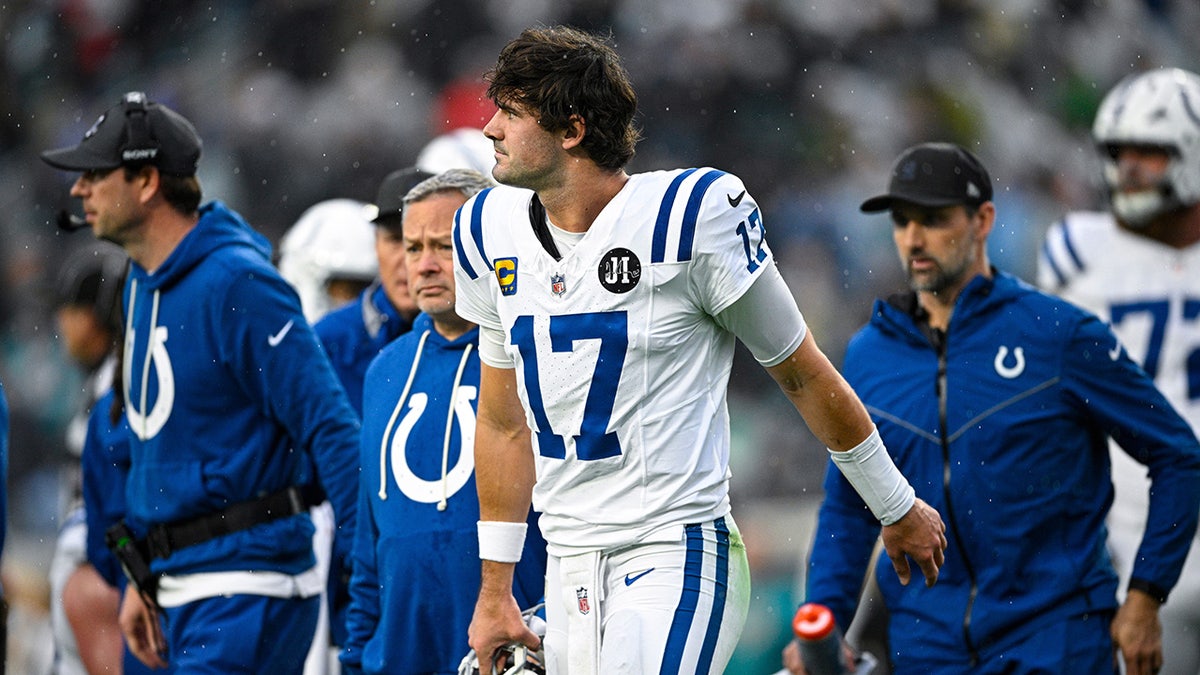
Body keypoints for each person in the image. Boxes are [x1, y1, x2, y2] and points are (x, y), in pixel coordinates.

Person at [452, 26, 947, 674]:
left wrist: (894, 502)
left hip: (673, 549)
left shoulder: (690, 216)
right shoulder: (489, 228)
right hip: (568, 557)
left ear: (571, 129)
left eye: (510, 113)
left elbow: (800, 371)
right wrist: (495, 589)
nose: (490, 129)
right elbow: (501, 420)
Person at [793, 142, 1200, 675]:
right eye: (902, 221)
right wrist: (822, 619)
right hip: (926, 653)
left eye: (935, 220)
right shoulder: (869, 355)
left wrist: (1146, 596)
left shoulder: (1057, 334)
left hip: (1055, 644)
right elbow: (849, 507)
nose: (914, 239)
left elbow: (1178, 455)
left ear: (983, 220)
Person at [40, 91, 360, 672]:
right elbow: (147, 441)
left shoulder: (240, 284)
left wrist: (370, 585)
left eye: (93, 174)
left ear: (145, 182)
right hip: (169, 592)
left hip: (245, 589)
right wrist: (140, 576)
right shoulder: (141, 282)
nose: (77, 191)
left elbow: (331, 429)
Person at [340, 168, 546, 674]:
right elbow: (371, 546)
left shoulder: (534, 353)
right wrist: (355, 655)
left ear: (487, 244)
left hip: (507, 651)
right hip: (396, 659)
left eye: (445, 247)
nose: (425, 265)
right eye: (413, 248)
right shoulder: (384, 370)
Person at [1038, 67, 1200, 675]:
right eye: (1118, 151)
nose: (1129, 167)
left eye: (1150, 153)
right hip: (1126, 525)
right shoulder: (1079, 250)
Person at [47, 241, 127, 675]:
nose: (61, 322)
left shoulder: (117, 388)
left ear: (97, 313)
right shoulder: (106, 382)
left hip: (99, 572)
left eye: (70, 308)